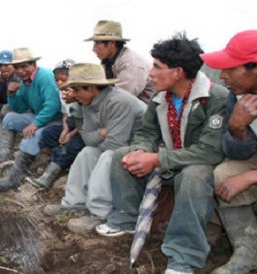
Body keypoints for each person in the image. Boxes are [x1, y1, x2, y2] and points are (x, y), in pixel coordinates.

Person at [94, 33, 228, 274]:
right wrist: (140, 150)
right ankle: (125, 219)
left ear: (178, 72)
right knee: (121, 156)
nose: (150, 73)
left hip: (198, 164)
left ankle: (184, 255)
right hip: (169, 159)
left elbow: (209, 152)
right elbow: (146, 132)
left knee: (194, 176)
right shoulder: (159, 98)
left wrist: (156, 159)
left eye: (156, 67)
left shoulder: (215, 98)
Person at [201, 29, 257, 274]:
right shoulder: (238, 96)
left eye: (231, 69)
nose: (223, 76)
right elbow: (238, 154)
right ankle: (248, 254)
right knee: (225, 174)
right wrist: (237, 127)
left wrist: (255, 176)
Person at [43, 63, 145, 233]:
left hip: (139, 149)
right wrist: (102, 133)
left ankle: (99, 211)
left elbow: (114, 145)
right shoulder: (87, 103)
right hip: (116, 145)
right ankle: (74, 203)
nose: (73, 95)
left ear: (91, 88)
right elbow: (88, 139)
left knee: (108, 156)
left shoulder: (119, 101)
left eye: (76, 90)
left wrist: (100, 136)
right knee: (87, 153)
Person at [0, 47, 62, 192]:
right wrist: (12, 95)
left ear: (33, 64)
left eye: (25, 66)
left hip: (56, 120)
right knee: (11, 118)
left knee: (31, 134)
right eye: (17, 67)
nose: (21, 71)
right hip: (42, 117)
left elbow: (53, 104)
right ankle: (2, 152)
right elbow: (20, 108)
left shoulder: (45, 76)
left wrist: (36, 123)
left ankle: (14, 178)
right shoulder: (25, 82)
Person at [29, 59, 85, 189]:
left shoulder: (82, 91)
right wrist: (65, 130)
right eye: (57, 79)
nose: (59, 83)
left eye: (63, 79)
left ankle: (50, 175)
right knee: (49, 132)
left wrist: (71, 134)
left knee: (74, 144)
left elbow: (87, 121)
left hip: (85, 127)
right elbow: (65, 114)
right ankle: (57, 157)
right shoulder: (61, 92)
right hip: (71, 123)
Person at [85, 20, 155, 104]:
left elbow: (122, 99)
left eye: (97, 43)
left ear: (111, 43)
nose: (94, 49)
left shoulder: (131, 64)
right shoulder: (108, 62)